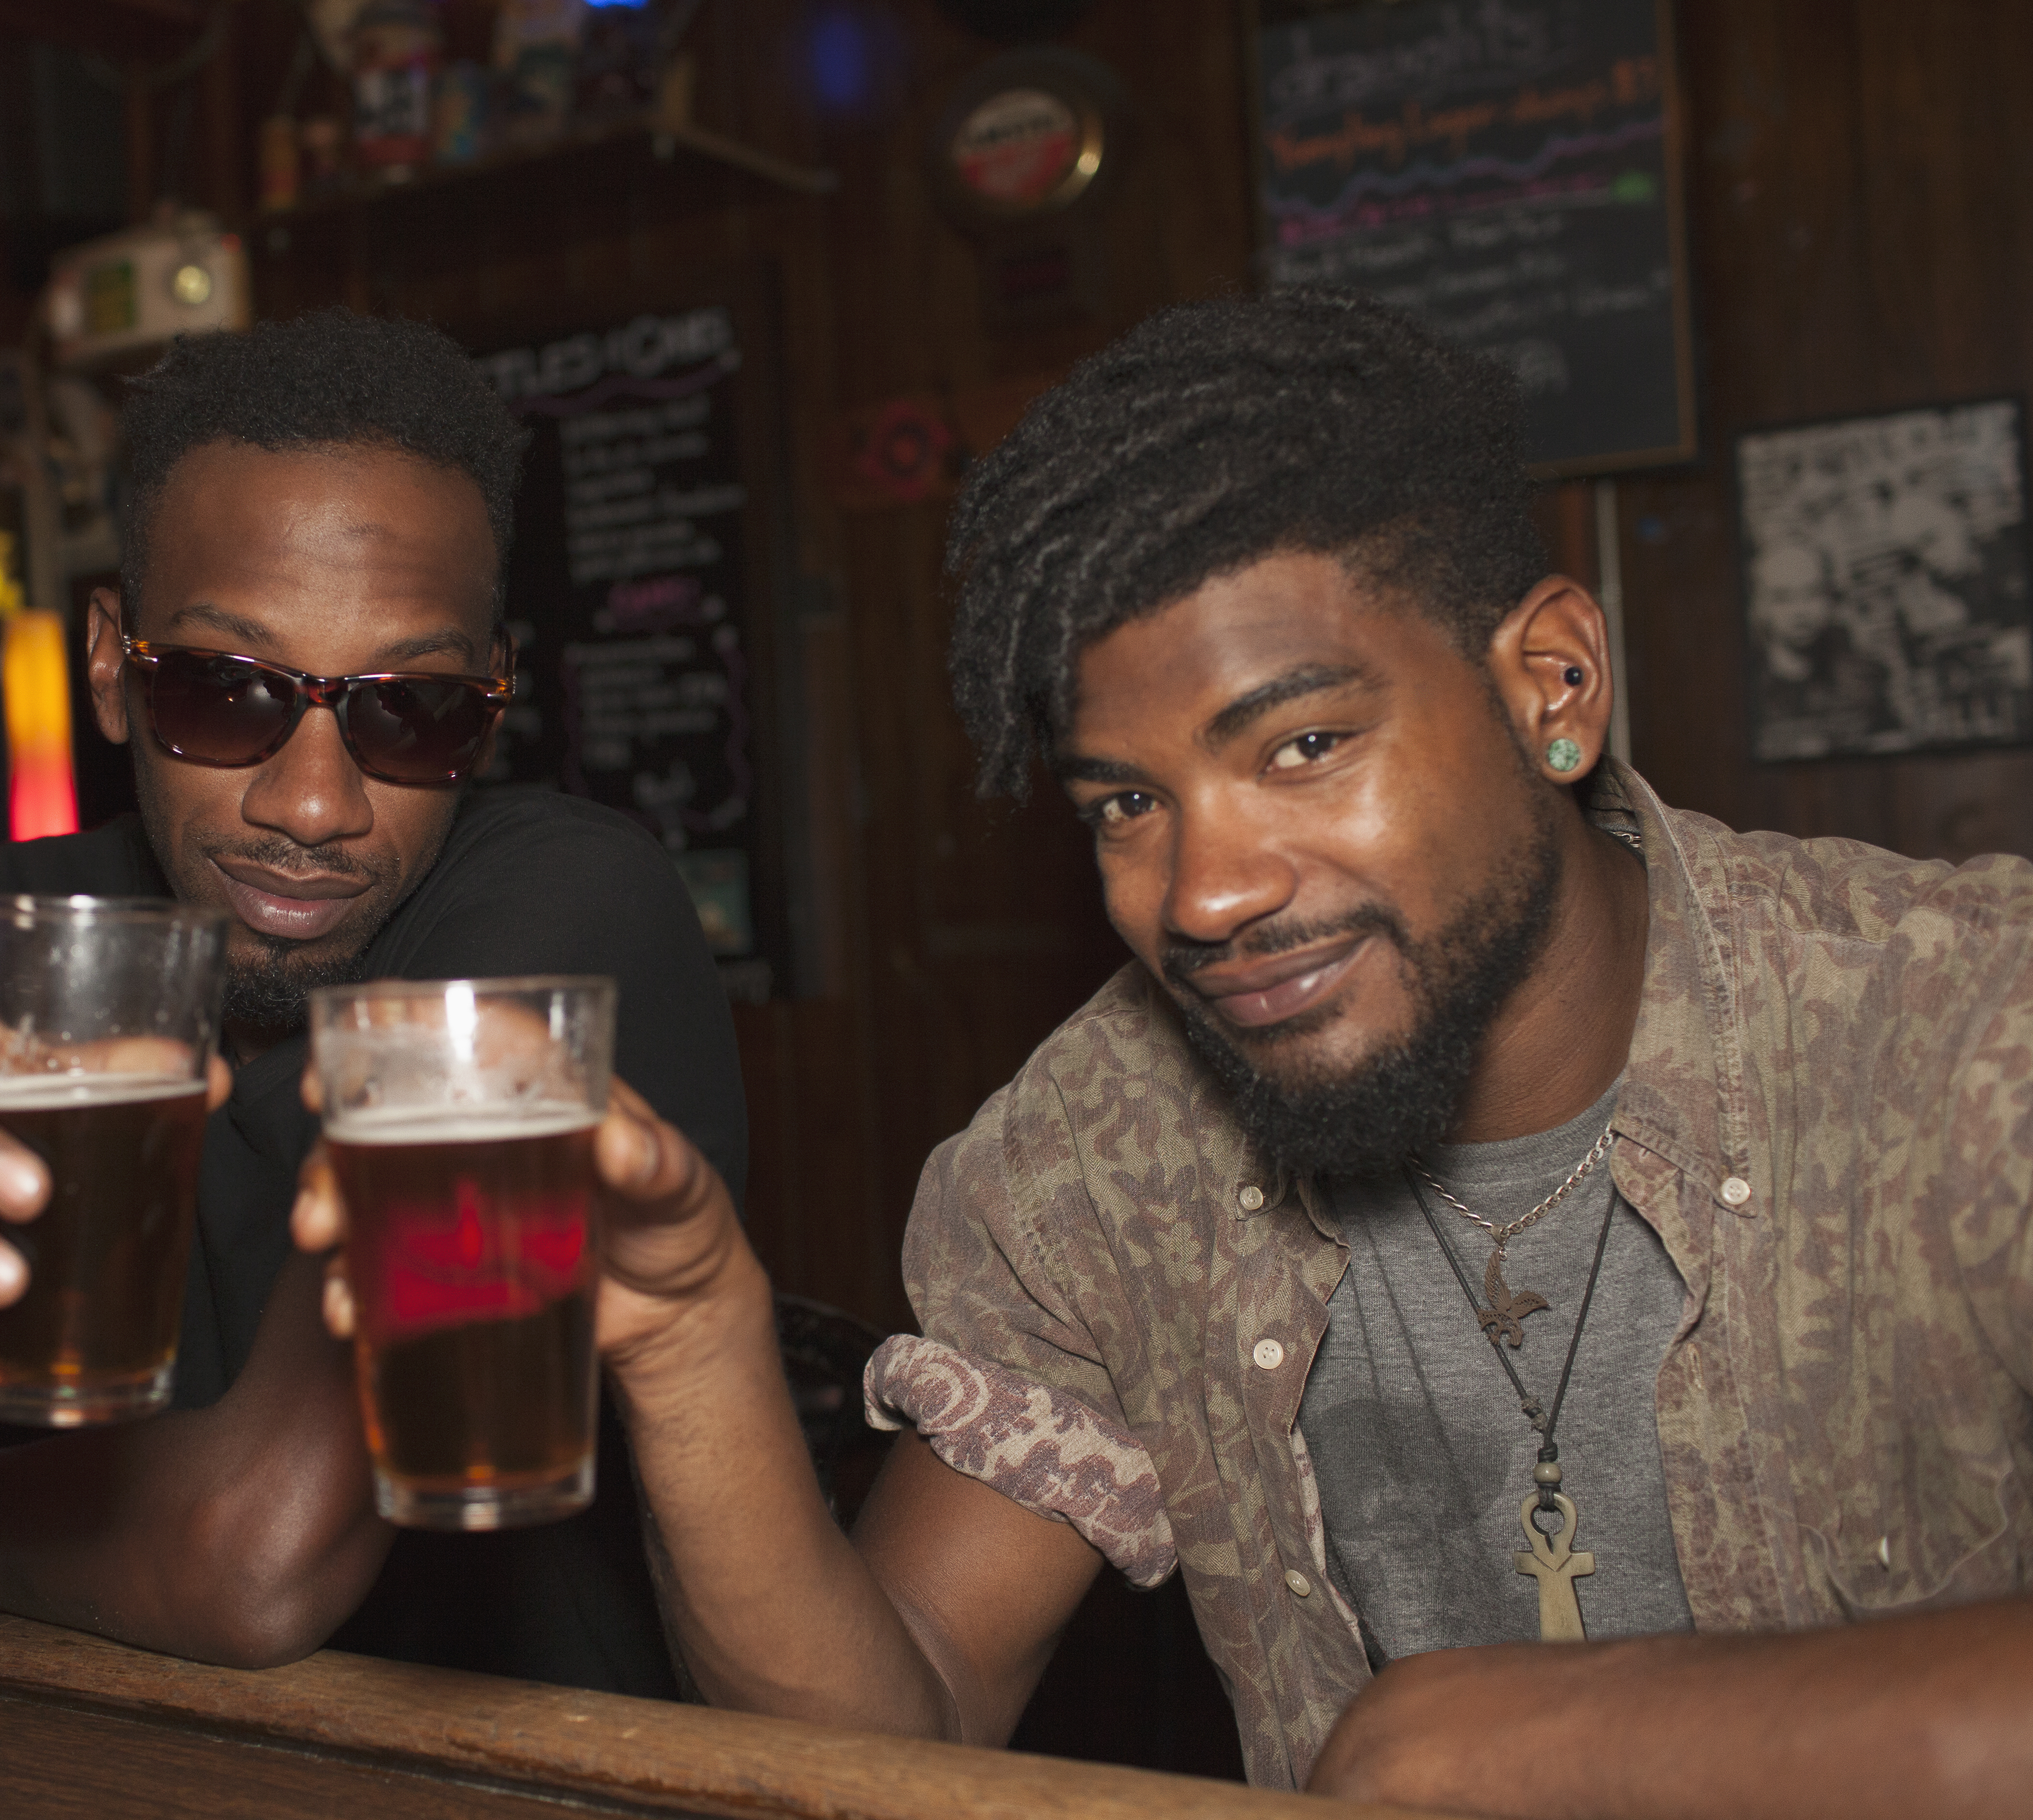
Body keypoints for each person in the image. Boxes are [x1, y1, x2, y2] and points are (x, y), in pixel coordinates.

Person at [296, 289, 2033, 1811]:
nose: (1203, 895)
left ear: (1553, 687)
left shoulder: (1967, 1033)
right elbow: (892, 1728)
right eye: (1127, 801)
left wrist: (1503, 1742)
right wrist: (692, 1352)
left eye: (1300, 749)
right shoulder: (1094, 1158)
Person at [0, 310, 746, 1699]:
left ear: (491, 709)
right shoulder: (41, 933)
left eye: (410, 710)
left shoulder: (559, 918)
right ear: (111, 668)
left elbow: (256, 1561)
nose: (311, 804)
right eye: (226, 689)